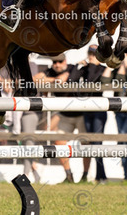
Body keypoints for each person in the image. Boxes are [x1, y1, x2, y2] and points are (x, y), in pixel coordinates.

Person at [35, 53, 89, 183]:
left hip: (81, 113)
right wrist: (54, 79)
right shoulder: (51, 71)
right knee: (59, 143)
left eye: (60, 62)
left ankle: (85, 176)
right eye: (55, 62)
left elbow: (64, 79)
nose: (57, 65)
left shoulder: (73, 68)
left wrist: (55, 79)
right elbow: (35, 79)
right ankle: (68, 175)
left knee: (86, 144)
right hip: (65, 114)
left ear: (65, 61)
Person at [80, 45, 112, 184]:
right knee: (91, 143)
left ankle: (101, 176)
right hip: (87, 109)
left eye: (94, 54)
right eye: (90, 53)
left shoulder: (102, 69)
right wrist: (78, 67)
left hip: (98, 110)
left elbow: (92, 82)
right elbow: (72, 80)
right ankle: (100, 176)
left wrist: (92, 66)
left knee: (97, 142)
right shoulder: (85, 69)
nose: (91, 56)